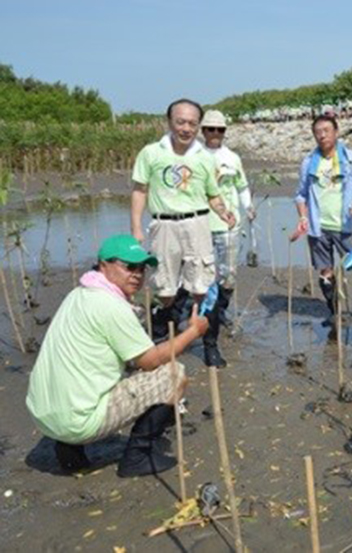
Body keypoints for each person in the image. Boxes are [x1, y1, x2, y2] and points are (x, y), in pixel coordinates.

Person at [26, 235, 209, 477]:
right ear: (103, 265)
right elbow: (150, 360)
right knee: (175, 374)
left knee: (96, 372)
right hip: (77, 423)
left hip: (42, 416)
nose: (137, 274)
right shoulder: (110, 305)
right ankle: (137, 457)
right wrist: (193, 332)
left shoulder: (78, 294)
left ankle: (69, 451)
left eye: (141, 268)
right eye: (129, 267)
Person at [130, 99, 235, 343]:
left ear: (198, 126)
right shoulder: (151, 153)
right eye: (181, 122)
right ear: (169, 122)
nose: (186, 129)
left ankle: (208, 342)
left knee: (202, 286)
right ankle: (162, 332)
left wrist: (223, 212)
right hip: (164, 225)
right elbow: (139, 190)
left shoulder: (204, 157)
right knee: (164, 288)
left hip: (197, 224)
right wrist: (136, 228)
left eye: (192, 124)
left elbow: (212, 193)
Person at [291, 113, 352, 336]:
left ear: (336, 132)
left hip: (347, 226)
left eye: (326, 130)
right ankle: (334, 312)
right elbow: (301, 195)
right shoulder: (309, 163)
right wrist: (303, 218)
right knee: (325, 271)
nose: (322, 135)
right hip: (318, 227)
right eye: (317, 132)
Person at [200, 110, 254, 367]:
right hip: (202, 225)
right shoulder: (195, 156)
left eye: (219, 129)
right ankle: (207, 322)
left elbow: (241, 186)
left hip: (229, 225)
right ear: (203, 131)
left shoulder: (232, 158)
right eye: (210, 129)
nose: (215, 133)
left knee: (228, 276)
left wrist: (248, 207)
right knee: (205, 279)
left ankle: (219, 310)